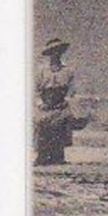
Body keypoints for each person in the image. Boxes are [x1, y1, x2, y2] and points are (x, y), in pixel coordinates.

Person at [34, 37, 84, 166]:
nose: (55, 54)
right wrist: (40, 102)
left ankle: (58, 156)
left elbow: (71, 89)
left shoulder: (67, 70)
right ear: (49, 54)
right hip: (46, 103)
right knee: (42, 124)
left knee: (60, 125)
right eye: (53, 51)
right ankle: (42, 156)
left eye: (58, 51)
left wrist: (66, 99)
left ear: (61, 53)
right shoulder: (42, 70)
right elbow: (37, 90)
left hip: (60, 102)